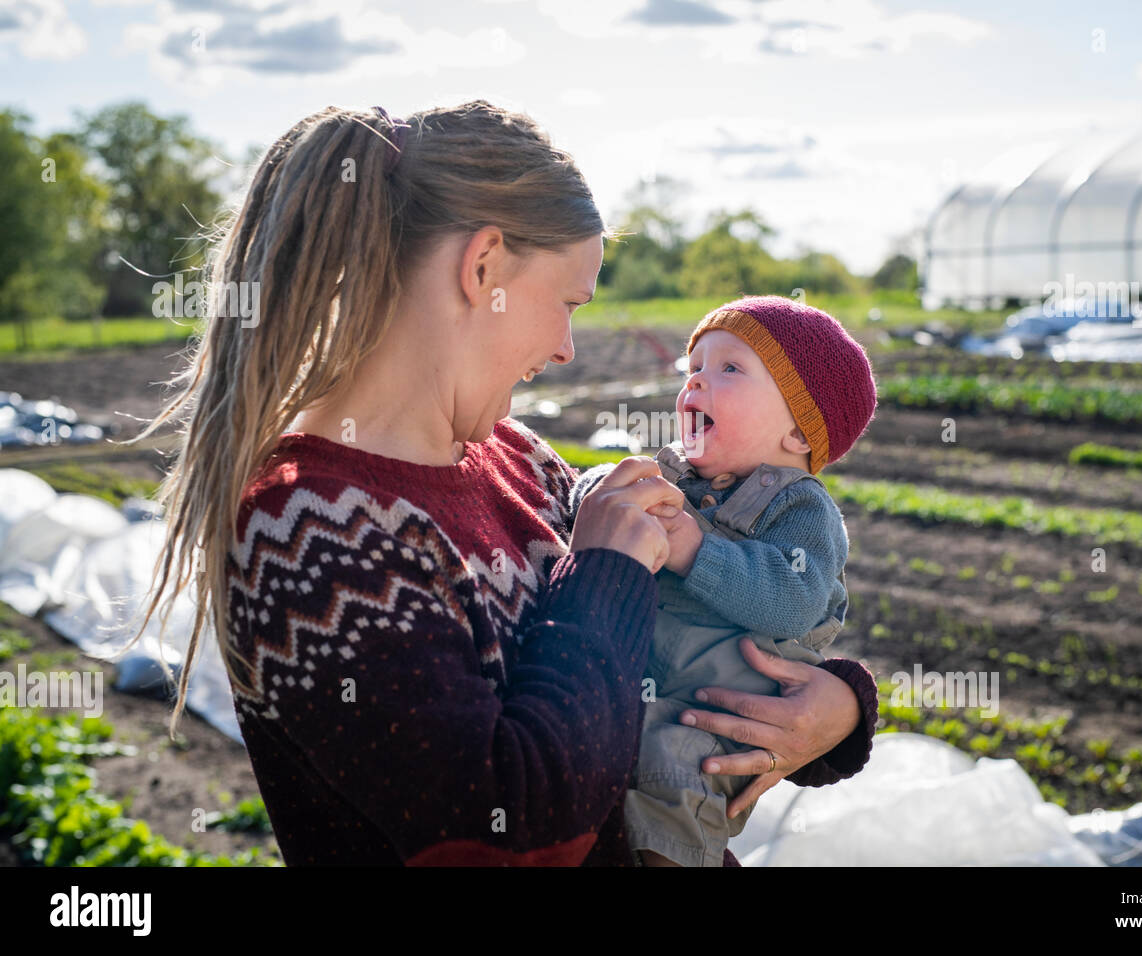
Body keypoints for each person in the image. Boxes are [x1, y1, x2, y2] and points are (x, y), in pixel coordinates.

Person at [129, 100, 879, 866]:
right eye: (566, 304)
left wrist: (837, 708)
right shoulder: (307, 530)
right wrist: (608, 572)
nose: (565, 348)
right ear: (482, 267)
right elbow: (515, 829)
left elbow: (679, 654)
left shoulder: (519, 461)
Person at [569, 295, 877, 865]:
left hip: (722, 722)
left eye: (729, 369)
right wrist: (597, 492)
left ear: (798, 433)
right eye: (694, 370)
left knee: (673, 790)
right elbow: (602, 487)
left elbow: (791, 602)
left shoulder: (802, 510)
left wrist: (695, 547)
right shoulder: (675, 477)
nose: (696, 385)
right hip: (652, 695)